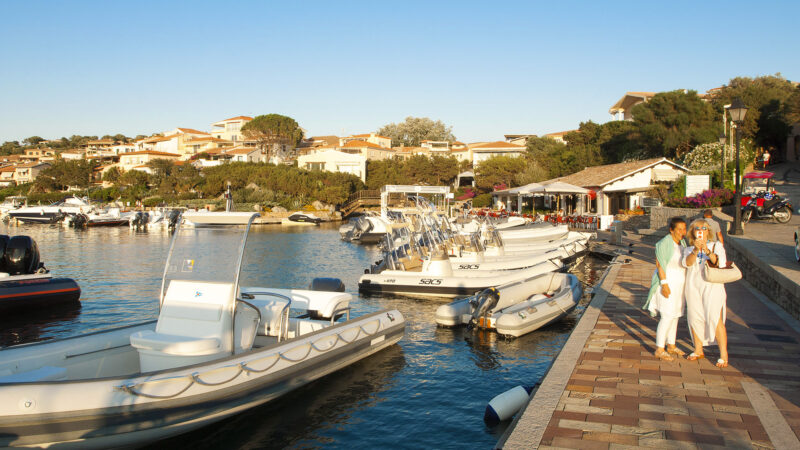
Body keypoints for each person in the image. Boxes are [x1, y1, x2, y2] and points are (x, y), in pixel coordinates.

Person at [682, 219, 729, 368]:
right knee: (695, 317)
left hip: (712, 286)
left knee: (715, 318)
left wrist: (707, 250)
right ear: (692, 232)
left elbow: (719, 263)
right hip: (693, 286)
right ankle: (698, 349)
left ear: (708, 231)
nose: (700, 231)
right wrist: (696, 250)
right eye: (697, 228)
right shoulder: (688, 249)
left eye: (704, 228)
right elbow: (687, 263)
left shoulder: (716, 246)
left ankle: (723, 354)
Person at [644, 217, 687, 361]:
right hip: (667, 283)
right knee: (667, 316)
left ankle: (671, 345)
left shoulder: (682, 243)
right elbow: (660, 264)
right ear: (671, 230)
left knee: (675, 315)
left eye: (684, 229)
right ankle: (659, 349)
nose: (682, 232)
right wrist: (664, 284)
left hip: (679, 285)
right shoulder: (664, 243)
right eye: (679, 229)